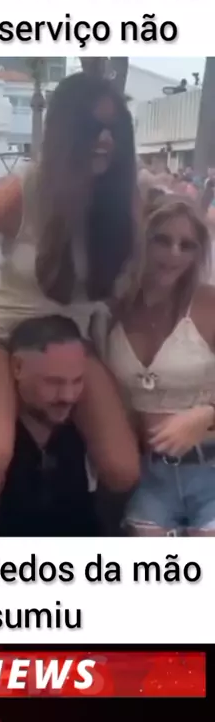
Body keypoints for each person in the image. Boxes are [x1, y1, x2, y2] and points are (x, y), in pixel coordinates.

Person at [0, 72, 141, 534]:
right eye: (92, 128)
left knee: (122, 468)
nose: (104, 140)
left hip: (70, 340)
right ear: (64, 131)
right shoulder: (22, 190)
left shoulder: (125, 200)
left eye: (114, 130)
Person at [106, 196, 215, 536]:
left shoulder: (209, 304)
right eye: (162, 240)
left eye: (187, 245)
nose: (174, 254)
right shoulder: (111, 308)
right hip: (147, 475)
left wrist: (206, 414)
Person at [0, 315, 99, 536]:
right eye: (53, 382)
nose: (68, 396)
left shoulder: (82, 435)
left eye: (77, 381)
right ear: (17, 367)